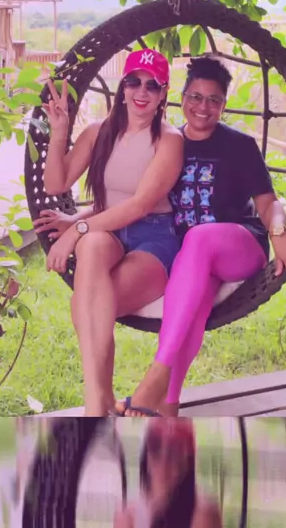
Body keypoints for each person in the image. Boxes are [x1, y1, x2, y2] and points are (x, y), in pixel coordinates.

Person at [116, 54, 286, 417]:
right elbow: (132, 198)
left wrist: (279, 233)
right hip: (192, 258)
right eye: (195, 97)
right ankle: (168, 405)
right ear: (182, 98)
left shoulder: (239, 145)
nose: (203, 107)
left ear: (223, 104)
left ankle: (155, 375)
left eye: (213, 100)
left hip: (239, 245)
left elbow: (268, 203)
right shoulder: (168, 144)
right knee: (192, 302)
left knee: (200, 238)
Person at [33, 49, 184, 417]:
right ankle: (98, 402)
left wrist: (77, 228)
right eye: (134, 81)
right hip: (108, 230)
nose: (141, 92)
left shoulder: (169, 140)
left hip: (153, 237)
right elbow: (55, 184)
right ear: (123, 86)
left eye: (152, 85)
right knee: (93, 247)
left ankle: (96, 405)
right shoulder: (98, 132)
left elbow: (140, 206)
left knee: (85, 305)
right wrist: (59, 133)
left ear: (163, 93)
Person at [114, 418, 222, 528]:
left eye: (174, 452)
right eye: (156, 447)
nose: (164, 463)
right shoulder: (128, 516)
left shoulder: (204, 514)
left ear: (187, 461)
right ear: (145, 454)